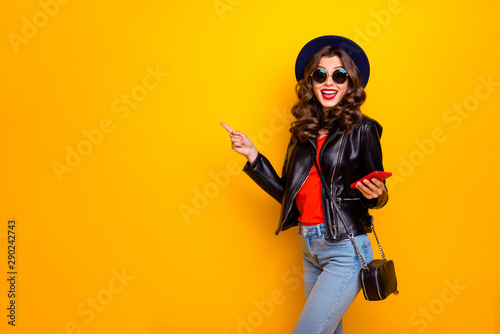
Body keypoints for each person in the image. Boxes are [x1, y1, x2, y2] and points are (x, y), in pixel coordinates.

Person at [221, 35, 389, 334]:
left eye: (339, 75)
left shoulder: (363, 128)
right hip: (309, 245)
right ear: (310, 82)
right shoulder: (302, 132)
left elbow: (375, 190)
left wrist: (378, 195)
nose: (329, 82)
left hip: (345, 247)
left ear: (350, 83)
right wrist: (253, 156)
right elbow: (287, 193)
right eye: (320, 74)